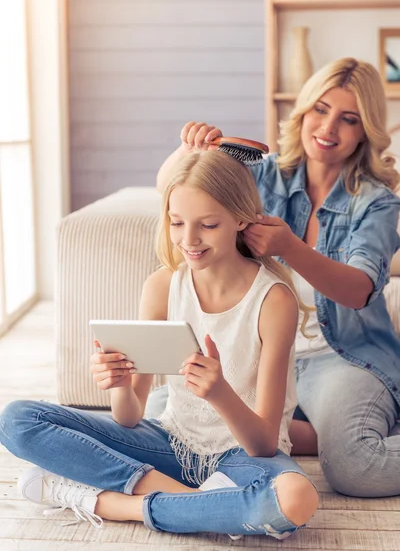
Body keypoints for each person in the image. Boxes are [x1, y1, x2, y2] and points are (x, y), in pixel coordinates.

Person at [0, 151, 318, 537]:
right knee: (17, 419)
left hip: (240, 457)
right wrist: (119, 386)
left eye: (208, 224)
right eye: (177, 222)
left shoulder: (273, 300)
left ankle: (114, 504)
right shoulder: (163, 287)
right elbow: (129, 419)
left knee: (296, 498)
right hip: (170, 443)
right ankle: (195, 501)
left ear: (241, 219)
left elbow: (264, 445)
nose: (189, 240)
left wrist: (219, 393)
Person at [155, 57, 400, 498]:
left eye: (349, 119)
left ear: (366, 131)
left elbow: (359, 289)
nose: (328, 127)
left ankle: (326, 435)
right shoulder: (264, 174)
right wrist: (187, 153)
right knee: (166, 424)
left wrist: (291, 248)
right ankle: (304, 432)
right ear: (303, 112)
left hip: (340, 356)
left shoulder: (376, 203)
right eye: (320, 110)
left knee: (355, 469)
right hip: (255, 350)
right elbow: (177, 193)